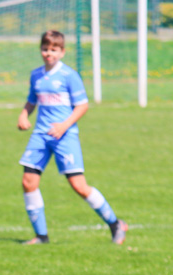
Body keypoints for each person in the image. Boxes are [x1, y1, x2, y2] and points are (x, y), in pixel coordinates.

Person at [17, 30, 128, 245]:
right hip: (41, 135)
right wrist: (23, 114)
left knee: (79, 186)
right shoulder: (36, 75)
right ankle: (41, 236)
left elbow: (82, 105)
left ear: (62, 52)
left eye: (53, 50)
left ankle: (115, 223)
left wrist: (64, 125)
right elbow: (32, 99)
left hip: (65, 136)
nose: (48, 54)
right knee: (28, 182)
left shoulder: (69, 76)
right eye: (45, 49)